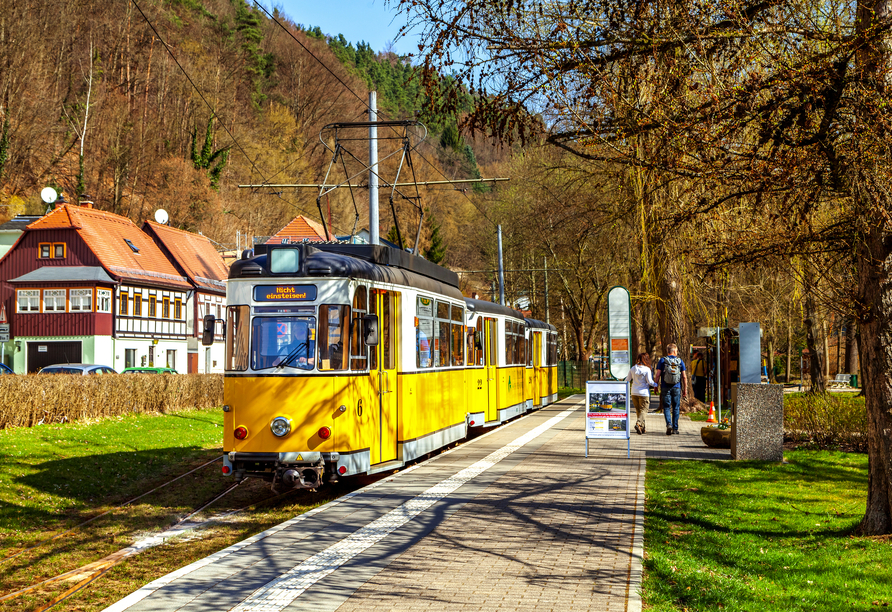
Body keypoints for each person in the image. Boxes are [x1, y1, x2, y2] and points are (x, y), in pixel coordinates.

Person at [654, 343, 689, 435]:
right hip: (676, 387)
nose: (677, 352)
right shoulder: (680, 361)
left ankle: (669, 424)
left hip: (665, 387)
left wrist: (655, 385)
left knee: (666, 407)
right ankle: (675, 428)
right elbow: (684, 377)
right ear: (674, 351)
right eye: (676, 350)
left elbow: (657, 375)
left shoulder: (662, 360)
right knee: (676, 408)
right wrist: (685, 389)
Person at [624, 352, 657, 434]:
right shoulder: (647, 369)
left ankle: (642, 428)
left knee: (639, 411)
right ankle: (638, 423)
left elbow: (627, 380)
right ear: (646, 359)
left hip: (634, 392)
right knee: (644, 411)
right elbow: (650, 382)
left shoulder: (633, 368)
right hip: (644, 393)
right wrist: (656, 384)